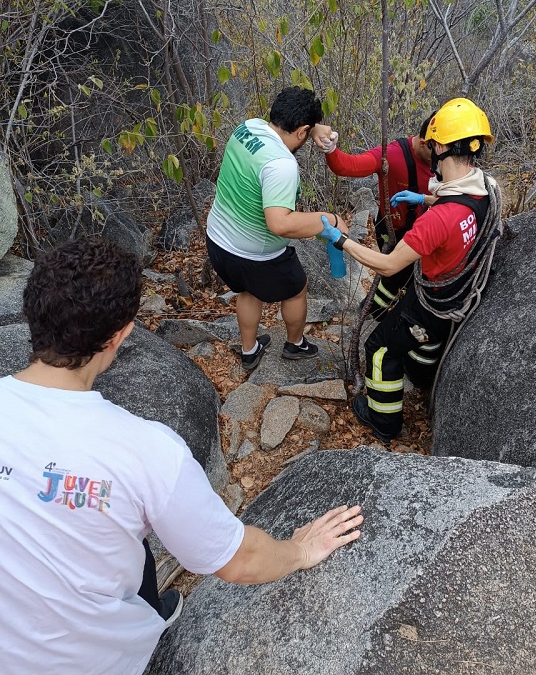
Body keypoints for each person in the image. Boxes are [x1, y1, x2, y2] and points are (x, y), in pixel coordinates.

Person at [0, 238, 363, 675]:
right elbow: (239, 560)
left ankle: (150, 603)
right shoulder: (146, 450)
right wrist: (301, 550)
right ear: (120, 335)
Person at [319, 98, 500, 444]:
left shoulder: (440, 219)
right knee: (413, 335)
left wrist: (342, 241)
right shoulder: (485, 191)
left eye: (434, 145)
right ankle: (420, 373)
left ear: (443, 146)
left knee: (379, 348)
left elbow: (388, 264)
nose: (430, 150)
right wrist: (425, 199)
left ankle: (384, 420)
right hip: (452, 296)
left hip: (432, 304)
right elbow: (460, 203)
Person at [206, 86, 350, 371]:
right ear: (301, 131)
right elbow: (280, 223)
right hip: (253, 255)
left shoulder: (246, 128)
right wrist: (329, 220)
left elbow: (291, 127)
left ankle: (250, 350)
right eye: (306, 136)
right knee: (297, 288)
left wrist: (315, 127)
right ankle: (295, 344)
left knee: (248, 291)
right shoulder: (282, 164)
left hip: (218, 241)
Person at [314, 113, 435, 319]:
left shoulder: (448, 159)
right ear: (424, 143)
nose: (443, 159)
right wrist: (331, 149)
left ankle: (377, 310)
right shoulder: (394, 155)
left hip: (429, 231)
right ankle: (375, 313)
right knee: (395, 275)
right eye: (439, 152)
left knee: (407, 279)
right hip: (394, 231)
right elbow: (348, 166)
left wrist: (424, 198)